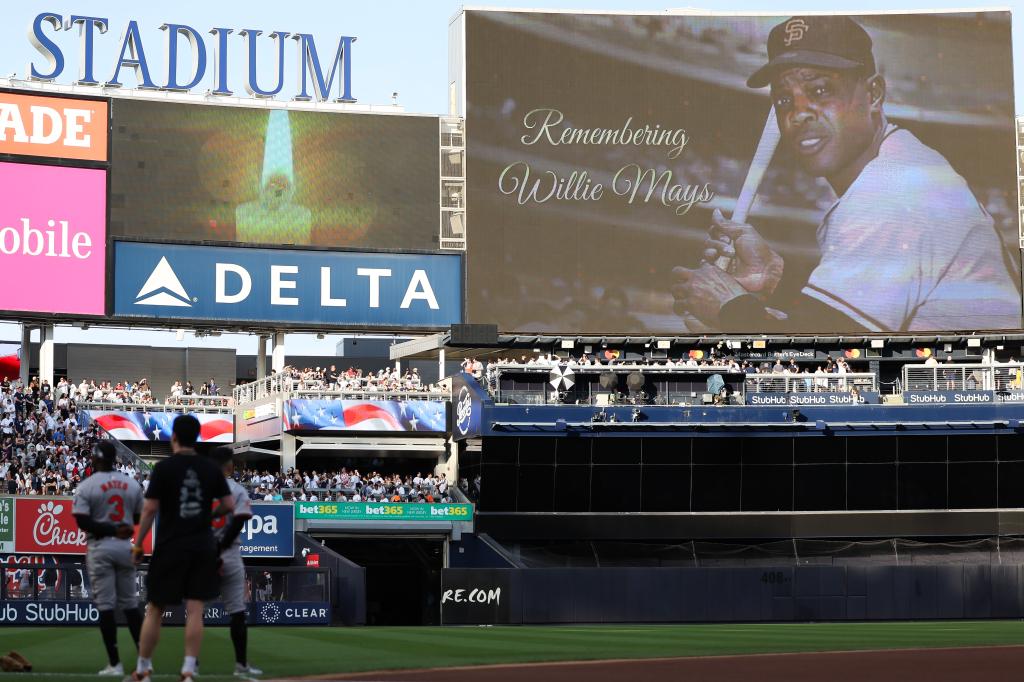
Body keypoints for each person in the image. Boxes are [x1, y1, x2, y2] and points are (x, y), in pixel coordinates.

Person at [671, 15, 1020, 333]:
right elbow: (840, 324)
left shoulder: (893, 193)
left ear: (873, 94)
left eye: (819, 90)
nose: (799, 113)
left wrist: (729, 308)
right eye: (783, 99)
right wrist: (777, 278)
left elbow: (830, 357)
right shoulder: (899, 160)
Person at [130, 415, 234, 682]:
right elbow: (229, 505)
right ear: (196, 438)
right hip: (202, 545)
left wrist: (138, 542)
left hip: (170, 545)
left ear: (173, 437)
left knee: (155, 608)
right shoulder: (210, 468)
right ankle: (188, 670)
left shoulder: (164, 469)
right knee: (195, 609)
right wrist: (209, 517)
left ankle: (143, 669)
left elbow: (150, 509)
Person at [72, 441, 145, 676]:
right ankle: (145, 662)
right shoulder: (130, 483)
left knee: (106, 607)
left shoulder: (87, 485)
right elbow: (136, 517)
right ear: (114, 459)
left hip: (100, 547)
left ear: (96, 458)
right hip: (125, 546)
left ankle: (115, 664)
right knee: (131, 606)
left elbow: (82, 521)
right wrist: (118, 528)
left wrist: (110, 529)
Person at [207, 446, 262, 677]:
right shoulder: (237, 489)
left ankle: (191, 665)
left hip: (203, 553)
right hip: (228, 553)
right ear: (228, 465)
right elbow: (239, 522)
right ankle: (241, 665)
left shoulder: (199, 488)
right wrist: (220, 549)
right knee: (237, 612)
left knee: (194, 608)